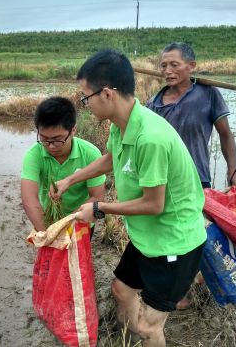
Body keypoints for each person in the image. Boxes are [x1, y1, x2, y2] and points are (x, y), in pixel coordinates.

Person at [51, 50, 207, 347]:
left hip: (175, 241)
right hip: (147, 236)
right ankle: (130, 339)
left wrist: (98, 208)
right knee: (122, 291)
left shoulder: (151, 137)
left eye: (86, 97)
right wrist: (71, 178)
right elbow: (112, 158)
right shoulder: (122, 125)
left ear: (107, 94)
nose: (84, 105)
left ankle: (144, 337)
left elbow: (153, 204)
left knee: (151, 326)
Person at [147, 42, 236, 194]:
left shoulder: (208, 94)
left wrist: (233, 171)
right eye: (163, 66)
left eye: (174, 65)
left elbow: (225, 134)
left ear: (191, 66)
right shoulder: (153, 103)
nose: (167, 71)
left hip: (196, 179)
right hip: (160, 181)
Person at [21, 96, 105, 233]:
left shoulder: (90, 154)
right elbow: (29, 199)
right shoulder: (34, 155)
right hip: (47, 222)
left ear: (73, 130)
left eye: (57, 140)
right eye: (44, 139)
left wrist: (67, 228)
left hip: (80, 223)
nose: (51, 146)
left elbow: (97, 196)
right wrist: (49, 234)